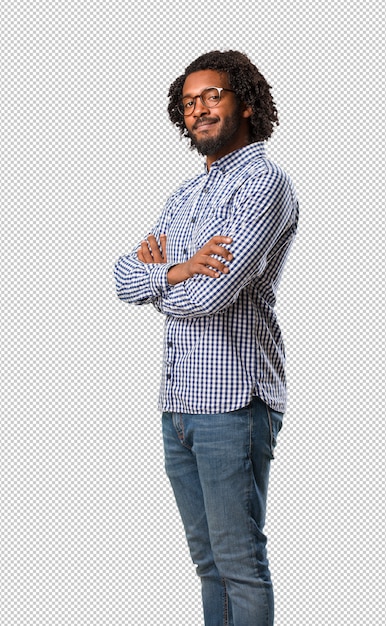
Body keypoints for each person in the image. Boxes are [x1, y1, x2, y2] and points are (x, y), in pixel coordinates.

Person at [114, 50, 299, 626]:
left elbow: (209, 298)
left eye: (212, 97)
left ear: (245, 103)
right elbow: (122, 276)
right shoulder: (185, 196)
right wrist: (175, 270)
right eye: (189, 103)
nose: (199, 111)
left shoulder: (264, 185)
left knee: (239, 562)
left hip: (233, 405)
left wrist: (169, 282)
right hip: (178, 405)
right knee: (207, 563)